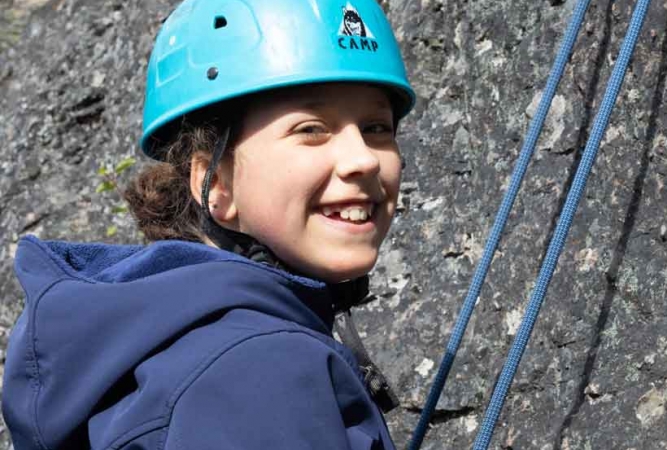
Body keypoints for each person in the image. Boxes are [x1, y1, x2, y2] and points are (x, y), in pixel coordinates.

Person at [2, 0, 415, 448]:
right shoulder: (258, 370)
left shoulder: (166, 346)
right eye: (311, 129)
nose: (363, 159)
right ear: (215, 183)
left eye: (377, 127)